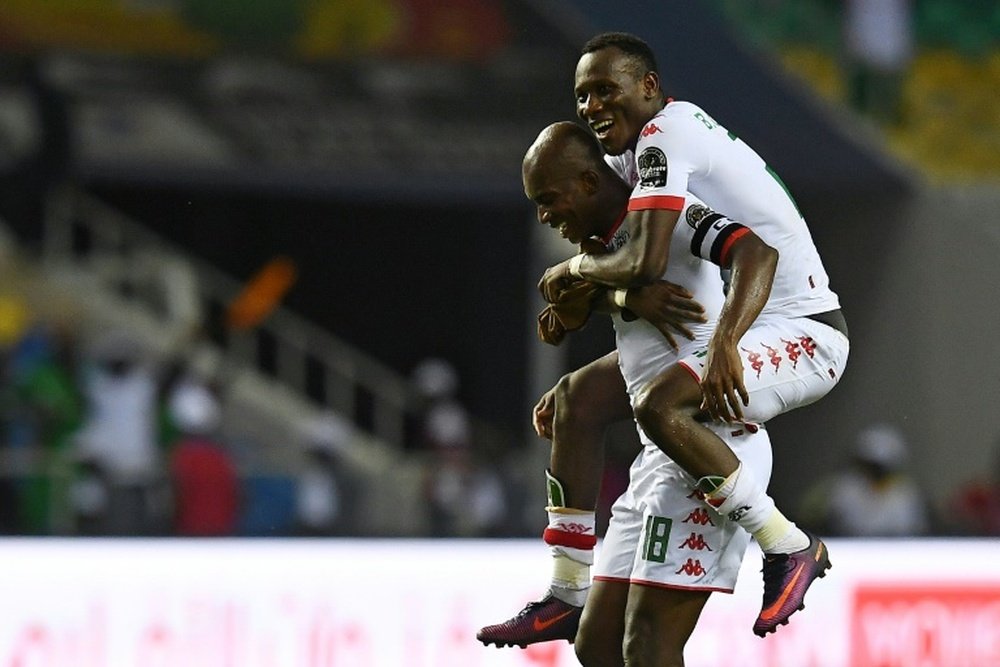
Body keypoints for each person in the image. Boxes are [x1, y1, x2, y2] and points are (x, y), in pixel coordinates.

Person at [482, 31, 850, 659]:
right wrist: (616, 295)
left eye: (606, 89)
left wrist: (573, 277)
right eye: (582, 97)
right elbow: (630, 273)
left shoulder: (661, 143)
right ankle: (565, 594)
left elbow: (658, 257)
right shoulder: (626, 168)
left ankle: (786, 543)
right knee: (576, 399)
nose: (593, 107)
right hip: (716, 367)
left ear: (648, 87)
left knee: (659, 405)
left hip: (800, 325)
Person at [799, 422, 930, 537]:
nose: (875, 472)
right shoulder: (841, 487)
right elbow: (812, 520)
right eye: (871, 465)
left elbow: (915, 530)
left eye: (881, 467)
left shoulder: (906, 492)